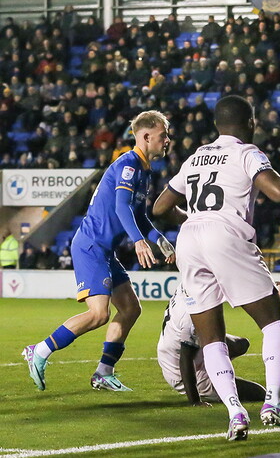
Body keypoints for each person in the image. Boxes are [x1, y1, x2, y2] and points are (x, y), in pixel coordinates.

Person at [153, 95, 280, 441]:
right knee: (274, 323)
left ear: (216, 125)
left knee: (210, 338)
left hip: (189, 240)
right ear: (251, 123)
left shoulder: (196, 157)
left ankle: (235, 413)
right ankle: (274, 403)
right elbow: (279, 192)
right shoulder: (247, 153)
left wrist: (195, 219)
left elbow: (160, 207)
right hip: (225, 234)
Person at [23, 111, 175, 393]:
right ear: (146, 136)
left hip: (105, 251)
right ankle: (39, 350)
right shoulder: (128, 165)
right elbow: (121, 207)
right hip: (91, 246)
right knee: (98, 314)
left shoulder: (144, 171)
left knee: (130, 309)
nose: (167, 140)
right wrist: (139, 241)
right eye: (163, 135)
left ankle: (104, 372)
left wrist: (158, 239)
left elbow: (139, 216)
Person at [158, 284, 266, 406]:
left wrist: (260, 288)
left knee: (241, 344)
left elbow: (227, 286)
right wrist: (195, 401)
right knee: (259, 393)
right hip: (178, 370)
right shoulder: (191, 317)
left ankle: (216, 367)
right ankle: (210, 381)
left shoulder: (188, 285)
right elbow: (186, 360)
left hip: (172, 351)